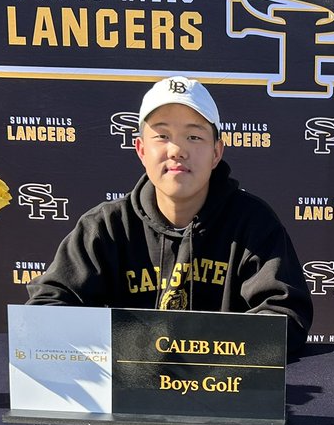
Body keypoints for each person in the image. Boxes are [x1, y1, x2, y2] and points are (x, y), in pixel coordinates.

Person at [27, 76, 313, 355]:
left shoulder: (253, 224)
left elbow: (284, 314)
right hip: (127, 391)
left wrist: (197, 352)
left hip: (224, 389)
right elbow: (47, 309)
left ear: (216, 152)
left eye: (194, 136)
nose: (177, 150)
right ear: (140, 149)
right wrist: (131, 350)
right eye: (162, 136)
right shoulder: (105, 227)